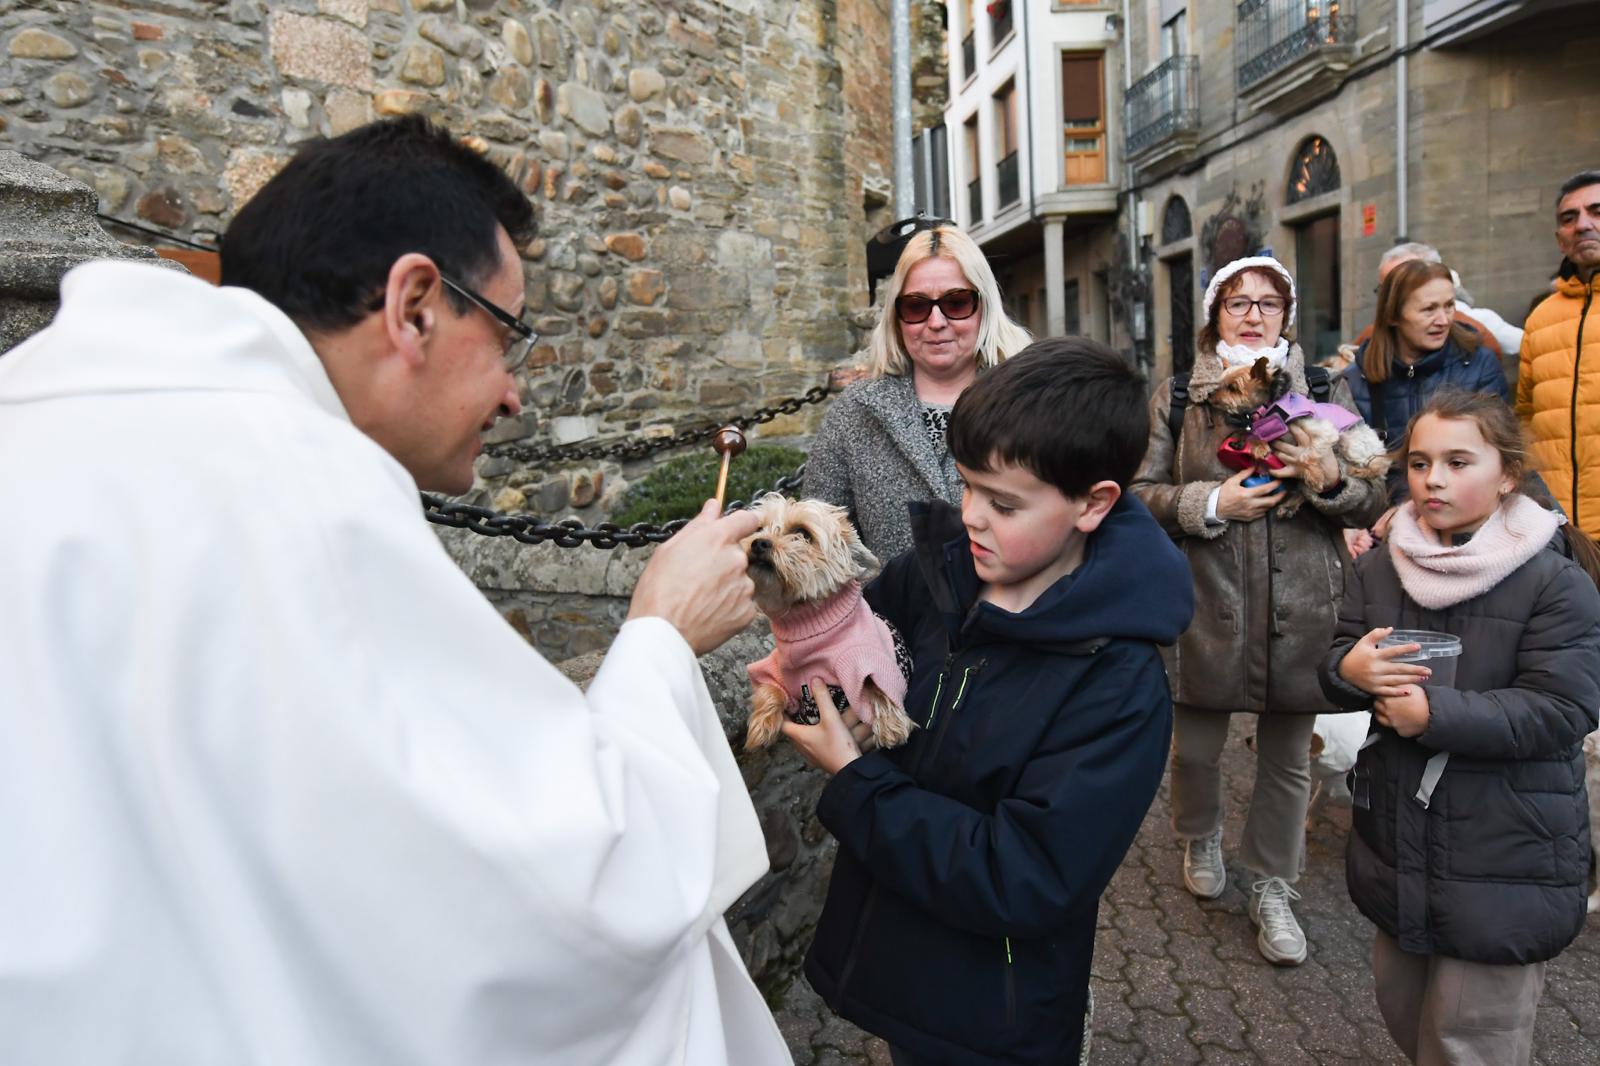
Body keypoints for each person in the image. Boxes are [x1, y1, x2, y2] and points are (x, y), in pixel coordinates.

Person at [0, 117, 790, 1065]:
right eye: (508, 335)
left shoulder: (51, 422)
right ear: (415, 306)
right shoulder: (301, 488)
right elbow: (556, 897)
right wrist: (662, 636)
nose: (513, 397)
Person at [782, 339, 1193, 1065]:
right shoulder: (937, 574)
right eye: (966, 485)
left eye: (1002, 502)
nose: (969, 514)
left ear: (1094, 503)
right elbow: (858, 639)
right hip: (899, 957)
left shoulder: (1119, 685)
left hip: (991, 1010)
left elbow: (1025, 875)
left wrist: (855, 778)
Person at [1319, 388, 1600, 1066]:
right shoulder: (1382, 564)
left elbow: (1564, 709)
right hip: (1400, 840)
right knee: (1405, 1009)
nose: (1433, 479)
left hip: (1506, 850)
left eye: (1456, 461)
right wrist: (1348, 670)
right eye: (1419, 463)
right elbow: (1333, 662)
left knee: (1469, 1040)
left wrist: (1433, 715)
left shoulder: (1554, 583)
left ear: (1507, 474)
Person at [1131, 255, 1388, 966]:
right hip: (1204, 598)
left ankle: (1273, 882)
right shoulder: (1179, 396)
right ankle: (1199, 833)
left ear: (1287, 313)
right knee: (1199, 747)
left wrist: (1328, 480)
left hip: (1303, 598)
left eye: (1268, 302)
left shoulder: (1324, 391)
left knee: (1288, 760)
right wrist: (1212, 501)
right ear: (1215, 314)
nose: (1253, 313)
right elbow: (1136, 493)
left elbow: (1373, 492)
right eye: (1237, 301)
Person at [803, 223, 1031, 562]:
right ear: (897, 318)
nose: (936, 321)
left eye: (956, 302)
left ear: (983, 307)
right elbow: (816, 541)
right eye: (916, 306)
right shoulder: (855, 411)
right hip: (889, 613)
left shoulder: (1030, 401)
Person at [1341, 259, 1510, 557]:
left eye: (1449, 306)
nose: (1443, 319)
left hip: (1466, 532)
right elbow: (1355, 470)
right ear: (1394, 315)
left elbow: (1495, 460)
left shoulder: (1479, 364)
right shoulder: (1359, 378)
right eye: (1428, 309)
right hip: (1379, 534)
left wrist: (1410, 511)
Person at [1517, 170, 1600, 538]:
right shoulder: (1540, 319)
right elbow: (1526, 420)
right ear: (1559, 239)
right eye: (1570, 218)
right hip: (1560, 527)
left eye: (1597, 211)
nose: (1583, 225)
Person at [1353, 241, 1514, 357]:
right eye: (1385, 288)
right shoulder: (1369, 343)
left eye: (1404, 283)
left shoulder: (1478, 339)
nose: (1442, 321)